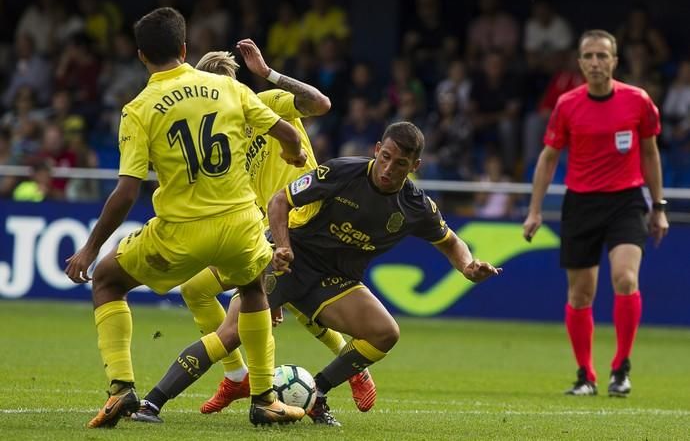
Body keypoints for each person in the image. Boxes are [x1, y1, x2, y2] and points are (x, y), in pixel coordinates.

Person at [130, 121, 501, 427]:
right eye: (386, 157)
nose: (389, 169)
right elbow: (280, 201)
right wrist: (282, 246)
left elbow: (451, 242)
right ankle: (151, 404)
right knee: (231, 335)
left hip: (334, 283)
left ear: (415, 165)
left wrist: (468, 266)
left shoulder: (416, 207)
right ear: (376, 149)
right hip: (290, 264)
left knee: (385, 333)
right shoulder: (342, 172)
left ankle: (316, 393)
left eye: (400, 164)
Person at [64, 7, 307, 428]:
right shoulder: (227, 89)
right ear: (184, 47)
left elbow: (126, 192)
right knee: (252, 289)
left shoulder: (138, 109)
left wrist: (89, 248)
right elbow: (286, 131)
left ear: (141, 56)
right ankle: (265, 398)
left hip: (179, 234)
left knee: (108, 279)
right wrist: (294, 152)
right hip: (238, 226)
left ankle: (121, 389)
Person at [131, 39, 376, 421]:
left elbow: (321, 104)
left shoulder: (266, 103)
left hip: (308, 221)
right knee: (198, 289)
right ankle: (238, 374)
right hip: (268, 227)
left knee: (264, 307)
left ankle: (173, 396)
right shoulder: (219, 138)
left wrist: (270, 74)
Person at [523, 29, 669, 397]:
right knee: (580, 295)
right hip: (581, 203)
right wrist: (535, 210)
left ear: (615, 61)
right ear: (579, 62)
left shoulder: (638, 101)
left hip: (627, 201)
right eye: (588, 56)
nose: (595, 62)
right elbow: (549, 157)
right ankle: (585, 375)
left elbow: (650, 154)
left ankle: (621, 368)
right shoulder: (567, 105)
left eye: (602, 56)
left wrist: (659, 206)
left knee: (625, 279)